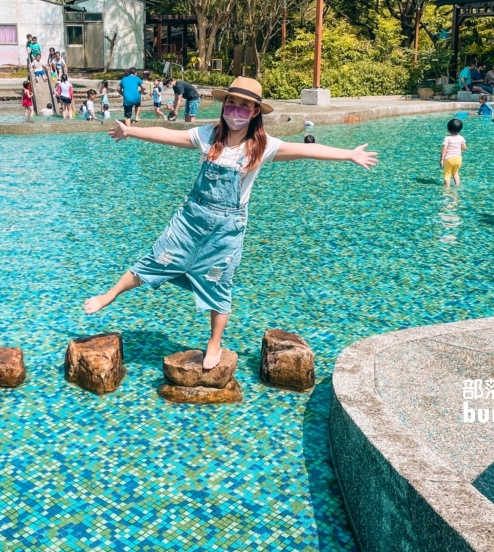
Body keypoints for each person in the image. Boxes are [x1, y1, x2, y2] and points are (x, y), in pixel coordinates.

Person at [82, 76, 378, 369]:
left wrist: (348, 155)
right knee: (156, 259)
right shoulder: (207, 136)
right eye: (231, 104)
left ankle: (214, 342)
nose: (236, 111)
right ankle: (109, 295)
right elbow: (167, 133)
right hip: (190, 221)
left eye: (244, 106)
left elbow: (309, 151)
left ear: (255, 111)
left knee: (219, 283)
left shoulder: (262, 147)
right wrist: (132, 132)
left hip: (227, 230)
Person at [440, 118, 466, 187]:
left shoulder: (447, 138)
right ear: (460, 129)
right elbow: (464, 148)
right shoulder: (461, 138)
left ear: (448, 129)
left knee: (447, 175)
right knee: (455, 173)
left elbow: (444, 149)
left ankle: (447, 189)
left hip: (449, 159)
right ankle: (457, 186)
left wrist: (442, 160)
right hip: (458, 159)